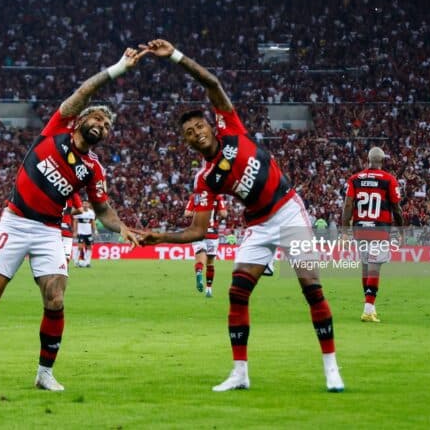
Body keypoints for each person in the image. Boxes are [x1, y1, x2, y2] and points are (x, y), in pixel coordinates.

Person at [137, 39, 344, 393]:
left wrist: (174, 56)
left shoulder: (231, 128)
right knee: (237, 293)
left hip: (288, 210)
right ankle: (240, 373)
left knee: (311, 286)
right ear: (186, 143)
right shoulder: (205, 179)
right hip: (259, 224)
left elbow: (212, 84)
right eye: (188, 134)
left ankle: (331, 368)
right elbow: (198, 230)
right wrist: (161, 236)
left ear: (210, 126)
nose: (196, 133)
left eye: (199, 127)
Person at [0, 48, 143, 392]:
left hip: (49, 230)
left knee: (55, 299)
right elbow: (83, 92)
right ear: (81, 120)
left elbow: (101, 209)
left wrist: (121, 226)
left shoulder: (94, 168)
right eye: (98, 119)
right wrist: (118, 69)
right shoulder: (56, 129)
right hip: (15, 221)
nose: (103, 126)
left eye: (108, 125)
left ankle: (44, 373)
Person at [342, 147, 404, 323]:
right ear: (382, 160)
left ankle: (370, 307)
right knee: (374, 268)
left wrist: (345, 231)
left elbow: (347, 206)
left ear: (367, 159)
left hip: (360, 229)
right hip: (379, 229)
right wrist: (401, 231)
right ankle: (368, 310)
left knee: (366, 265)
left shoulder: (354, 179)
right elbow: (397, 209)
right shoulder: (389, 180)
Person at [184, 190, 227, 297]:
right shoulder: (217, 196)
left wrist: (198, 212)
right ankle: (208, 289)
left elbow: (187, 213)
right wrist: (218, 218)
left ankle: (199, 272)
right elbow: (224, 213)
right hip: (212, 233)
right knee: (210, 263)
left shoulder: (196, 196)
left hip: (197, 231)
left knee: (200, 257)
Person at [61, 192, 83, 264]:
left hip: (52, 228)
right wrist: (68, 213)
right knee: (65, 259)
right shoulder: (73, 192)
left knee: (51, 258)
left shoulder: (50, 189)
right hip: (66, 228)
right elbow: (80, 210)